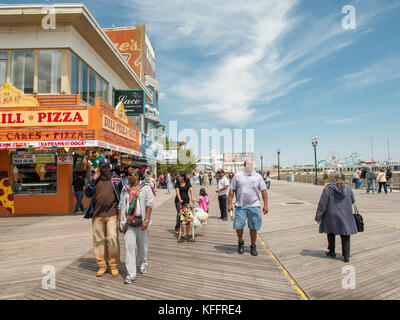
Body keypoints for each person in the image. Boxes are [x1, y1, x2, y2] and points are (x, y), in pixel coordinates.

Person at [84, 158, 123, 277]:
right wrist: (93, 180)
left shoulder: (116, 179)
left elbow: (122, 194)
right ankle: (102, 265)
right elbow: (87, 194)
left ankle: (113, 265)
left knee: (112, 238)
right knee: (99, 241)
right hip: (97, 214)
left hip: (112, 213)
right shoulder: (95, 180)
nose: (106, 168)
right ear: (100, 168)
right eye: (104, 167)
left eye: (107, 166)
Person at [118, 168, 154, 284]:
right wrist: (120, 221)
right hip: (129, 223)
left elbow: (149, 205)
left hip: (142, 221)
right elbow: (121, 205)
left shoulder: (146, 188)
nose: (129, 177)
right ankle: (131, 274)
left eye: (131, 175)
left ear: (138, 176)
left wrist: (146, 220)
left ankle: (143, 263)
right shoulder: (125, 189)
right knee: (129, 247)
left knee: (142, 246)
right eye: (128, 175)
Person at [315, 170, 357, 263]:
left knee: (330, 232)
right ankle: (346, 256)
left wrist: (318, 217)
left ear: (332, 178)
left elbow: (323, 204)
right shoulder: (347, 188)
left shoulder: (328, 188)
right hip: (345, 214)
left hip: (331, 214)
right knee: (345, 234)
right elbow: (353, 201)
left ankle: (332, 251)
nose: (328, 178)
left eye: (329, 177)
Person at [227, 160, 268, 256]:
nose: (249, 166)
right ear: (244, 165)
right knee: (239, 226)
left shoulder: (258, 176)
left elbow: (264, 191)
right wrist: (229, 203)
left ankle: (253, 245)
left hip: (254, 205)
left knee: (254, 227)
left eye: (251, 165)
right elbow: (232, 190)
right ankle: (240, 242)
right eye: (247, 165)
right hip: (240, 205)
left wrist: (265, 205)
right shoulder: (237, 176)